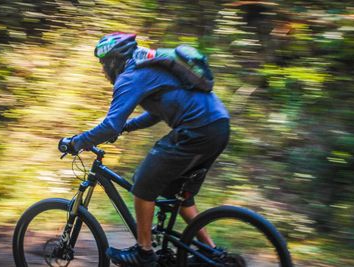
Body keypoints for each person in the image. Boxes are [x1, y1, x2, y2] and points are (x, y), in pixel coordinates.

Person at [61, 32, 230, 267]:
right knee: (178, 195)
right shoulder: (148, 66)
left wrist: (76, 142)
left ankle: (144, 253)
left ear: (113, 60)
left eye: (103, 64)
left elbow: (110, 125)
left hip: (197, 130)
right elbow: (154, 114)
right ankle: (212, 254)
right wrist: (126, 127)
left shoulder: (130, 76)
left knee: (142, 186)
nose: (102, 70)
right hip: (218, 126)